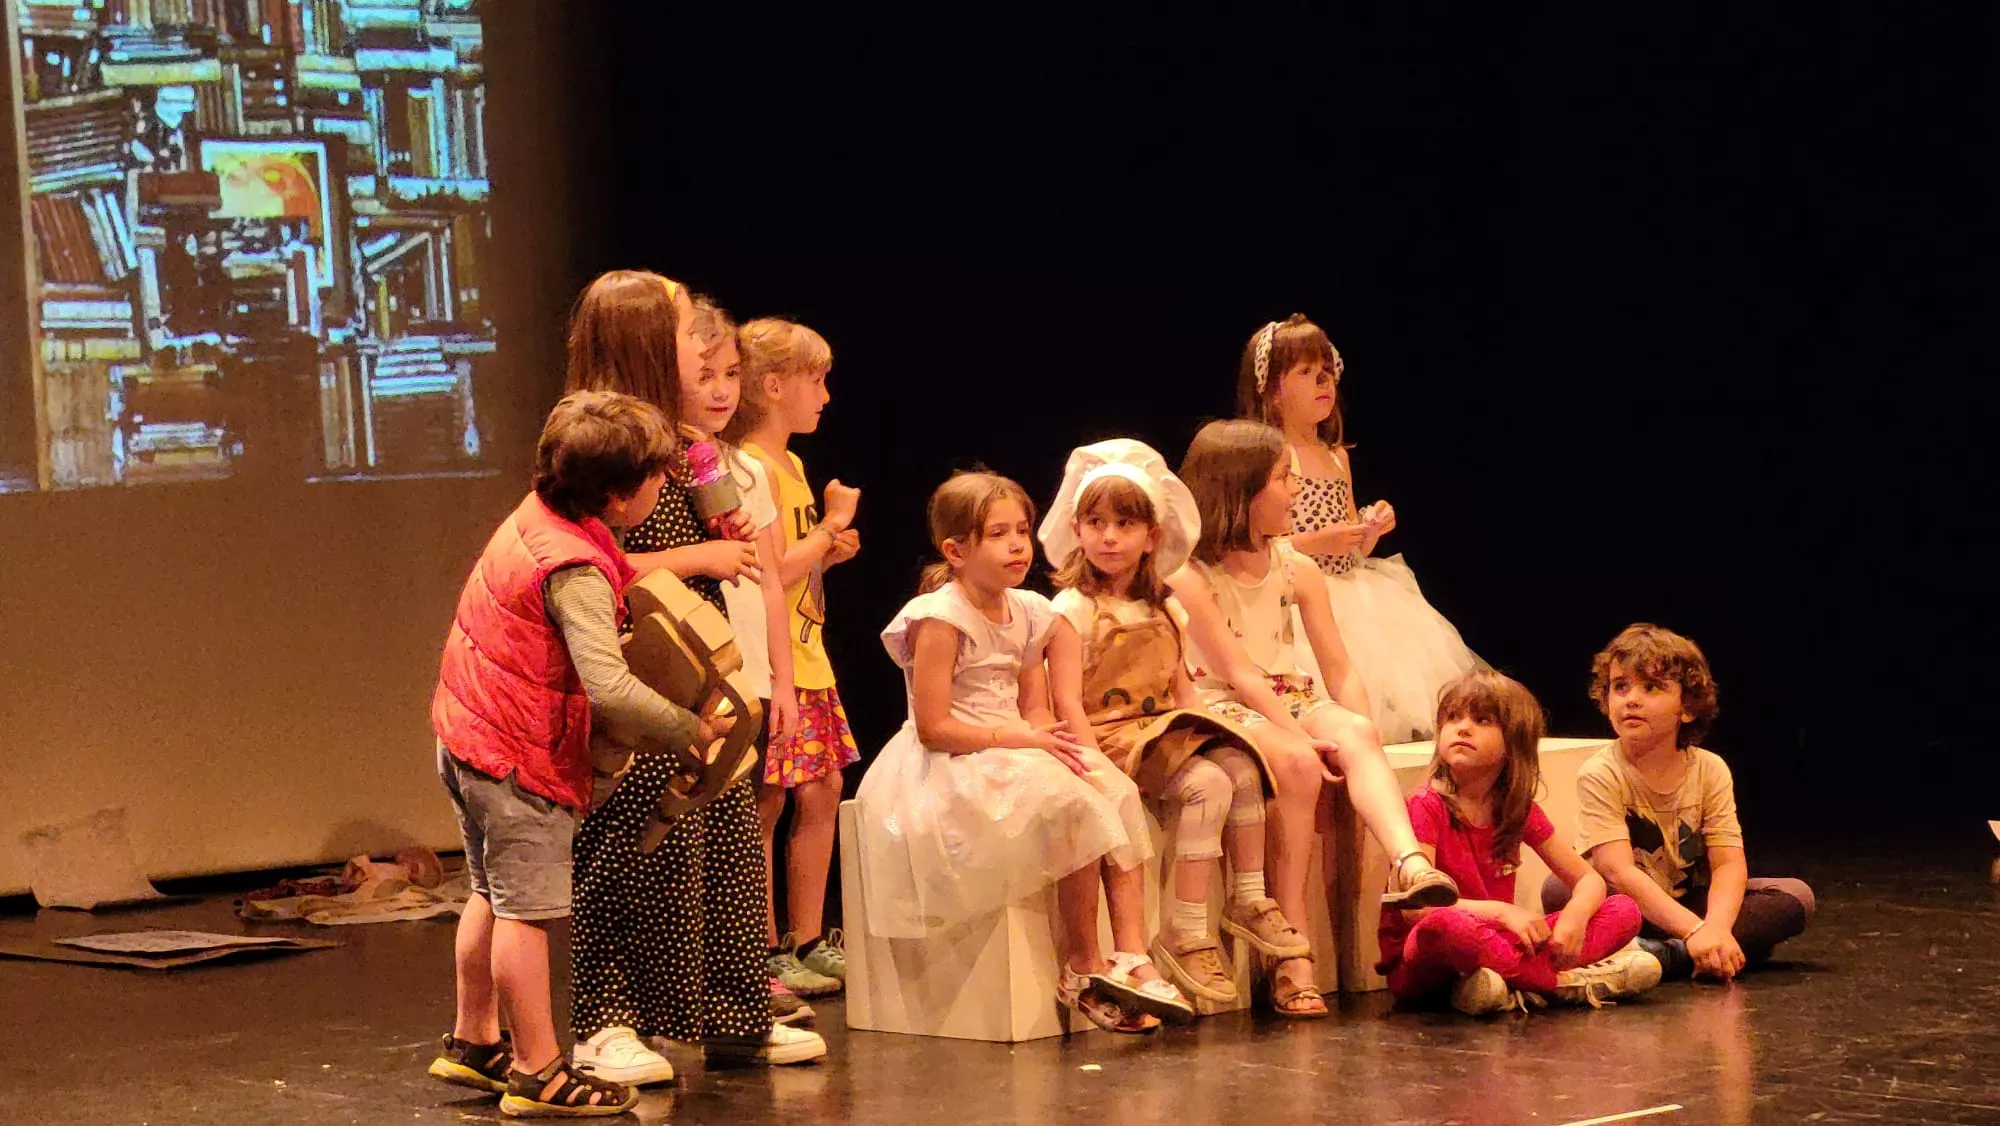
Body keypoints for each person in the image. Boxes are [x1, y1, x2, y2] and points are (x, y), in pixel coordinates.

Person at [561, 270, 826, 1077]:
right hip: (634, 670)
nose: (707, 341)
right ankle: (606, 1018)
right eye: (685, 331)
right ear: (644, 342)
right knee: (632, 840)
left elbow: (740, 548)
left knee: (729, 838)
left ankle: (732, 1008)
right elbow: (583, 565)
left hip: (701, 662)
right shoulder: (597, 439)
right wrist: (702, 553)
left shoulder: (688, 448)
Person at [429, 390, 699, 1117]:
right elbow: (608, 685)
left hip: (470, 732)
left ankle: (474, 1041)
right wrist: (687, 725)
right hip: (518, 753)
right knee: (528, 912)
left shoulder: (544, 517)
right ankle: (536, 1070)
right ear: (616, 497)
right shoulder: (572, 568)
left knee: (489, 892)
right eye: (653, 477)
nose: (664, 486)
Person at [854, 471, 1176, 1032]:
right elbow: (933, 727)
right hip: (955, 761)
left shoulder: (1027, 610)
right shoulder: (941, 618)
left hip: (1015, 744)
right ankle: (1081, 966)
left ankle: (1130, 957)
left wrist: (1058, 747)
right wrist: (1026, 742)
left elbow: (1035, 705)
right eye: (998, 534)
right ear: (957, 550)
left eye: (1022, 532)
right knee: (1075, 807)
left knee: (1113, 790)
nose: (1017, 546)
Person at [1169, 418, 1459, 1017]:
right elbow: (1241, 675)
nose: (1298, 489)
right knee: (1299, 764)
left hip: (1284, 695)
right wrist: (1299, 734)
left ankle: (1409, 862)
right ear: (1240, 489)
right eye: (1283, 479)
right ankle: (1290, 952)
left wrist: (1355, 725)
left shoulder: (1293, 566)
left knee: (1356, 731)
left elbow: (1338, 667)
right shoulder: (1190, 576)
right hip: (1221, 703)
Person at [1041, 439, 1278, 1012]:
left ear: (1151, 535)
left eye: (1125, 523)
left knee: (1243, 766)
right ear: (1077, 530)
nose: (1109, 537)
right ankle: (1186, 931)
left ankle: (1248, 898)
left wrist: (1209, 723)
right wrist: (1093, 760)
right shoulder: (1070, 610)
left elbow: (1180, 689)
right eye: (1096, 523)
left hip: (1161, 729)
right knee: (1207, 784)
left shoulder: (1165, 606)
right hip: (1111, 737)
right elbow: (1067, 700)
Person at [1237, 314, 1481, 742]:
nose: (1323, 384)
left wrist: (1367, 531)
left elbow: (1352, 548)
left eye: (1326, 373)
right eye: (1307, 374)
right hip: (1297, 594)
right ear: (1274, 390)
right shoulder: (1269, 456)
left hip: (1355, 587)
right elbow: (1256, 544)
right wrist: (1319, 541)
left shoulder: (1336, 456)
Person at [1379, 671, 1660, 1015]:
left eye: (1481, 720)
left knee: (1623, 910)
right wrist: (1501, 912)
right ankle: (1564, 985)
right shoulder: (1426, 804)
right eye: (1453, 718)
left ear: (1513, 743)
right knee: (1449, 927)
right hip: (1430, 955)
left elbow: (1589, 880)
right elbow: (1417, 910)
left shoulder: (1517, 808)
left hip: (1495, 946)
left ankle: (1495, 987)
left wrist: (1574, 916)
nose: (1462, 728)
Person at [1544, 624, 1815, 981]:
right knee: (1561, 890)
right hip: (1626, 903)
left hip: (1685, 900)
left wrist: (1713, 928)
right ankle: (1699, 950)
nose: (1631, 699)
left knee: (1796, 897)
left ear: (1686, 708)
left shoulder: (1710, 769)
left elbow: (1728, 864)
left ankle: (1663, 956)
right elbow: (1617, 872)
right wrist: (1694, 931)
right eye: (1620, 686)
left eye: (1651, 687)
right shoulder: (1601, 772)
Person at [726, 318, 862, 998]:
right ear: (774, 386)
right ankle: (759, 943)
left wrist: (827, 552)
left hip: (809, 658)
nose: (825, 396)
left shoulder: (792, 465)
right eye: (816, 380)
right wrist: (832, 526)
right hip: (781, 665)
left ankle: (806, 937)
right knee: (769, 799)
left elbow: (797, 573)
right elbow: (770, 573)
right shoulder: (750, 466)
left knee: (824, 789)